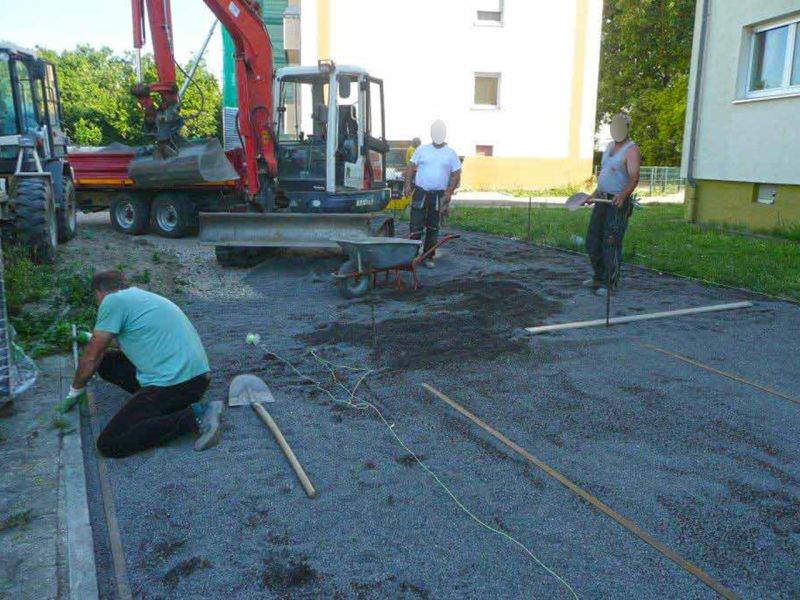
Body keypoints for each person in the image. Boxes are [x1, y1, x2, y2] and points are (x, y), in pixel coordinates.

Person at [62, 271, 221, 458]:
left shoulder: (112, 301)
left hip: (177, 384)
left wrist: (75, 391)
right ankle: (162, 407)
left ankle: (195, 417)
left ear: (99, 292)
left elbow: (91, 355)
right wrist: (90, 337)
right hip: (196, 377)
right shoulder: (140, 297)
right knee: (105, 362)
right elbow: (134, 340)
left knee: (110, 443)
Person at [583, 112, 641, 296]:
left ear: (627, 128)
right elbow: (605, 176)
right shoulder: (608, 148)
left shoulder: (632, 150)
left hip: (617, 203)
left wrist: (622, 196)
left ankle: (611, 284)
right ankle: (599, 277)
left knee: (611, 242)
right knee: (592, 240)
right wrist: (593, 195)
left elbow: (634, 178)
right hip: (602, 199)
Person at [403, 121, 461, 268]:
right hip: (421, 193)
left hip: (438, 196)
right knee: (415, 225)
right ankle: (411, 256)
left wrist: (448, 192)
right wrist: (407, 185)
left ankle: (428, 257)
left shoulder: (451, 153)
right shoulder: (422, 150)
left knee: (433, 227)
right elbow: (410, 167)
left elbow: (456, 174)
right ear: (432, 133)